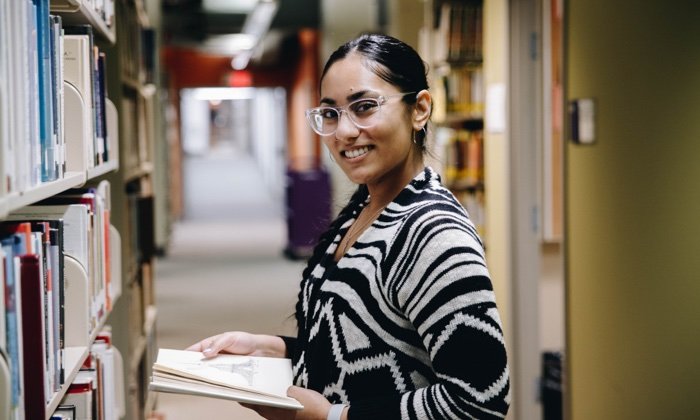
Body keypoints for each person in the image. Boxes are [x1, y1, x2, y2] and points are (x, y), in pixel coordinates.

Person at [187, 33, 510, 420]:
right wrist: (273, 349)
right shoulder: (365, 208)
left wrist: (333, 417)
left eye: (364, 107)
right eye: (331, 113)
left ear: (420, 109)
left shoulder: (433, 234)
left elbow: (480, 401)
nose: (343, 131)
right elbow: (361, 349)